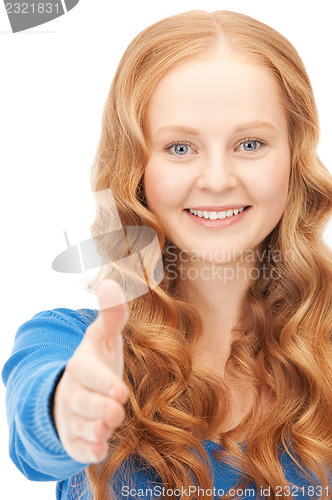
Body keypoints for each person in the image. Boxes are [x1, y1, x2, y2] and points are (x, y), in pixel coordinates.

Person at [2, 9, 332, 500]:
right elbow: (36, 442)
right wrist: (67, 408)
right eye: (179, 148)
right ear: (136, 168)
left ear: (293, 157)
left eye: (250, 143)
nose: (217, 179)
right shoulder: (68, 340)